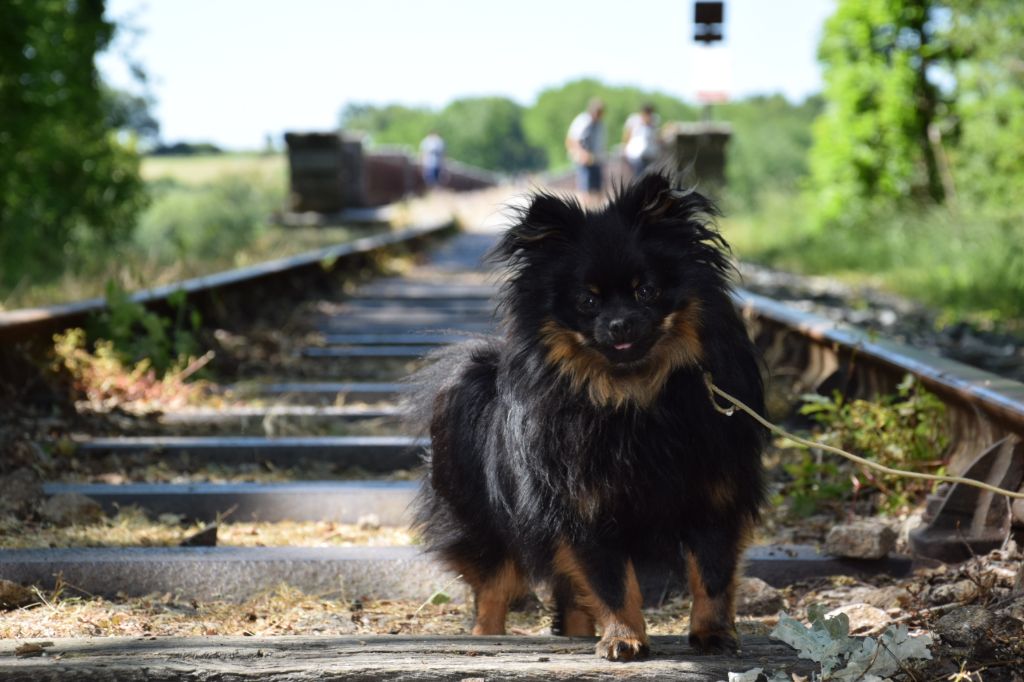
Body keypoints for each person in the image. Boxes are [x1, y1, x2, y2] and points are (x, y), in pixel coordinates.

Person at [565, 98, 606, 201]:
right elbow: (572, 139)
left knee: (598, 189)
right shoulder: (583, 121)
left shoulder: (600, 124)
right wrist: (582, 154)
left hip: (596, 159)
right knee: (585, 189)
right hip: (584, 160)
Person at [622, 103, 661, 177]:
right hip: (634, 155)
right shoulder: (634, 120)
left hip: (649, 155)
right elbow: (627, 135)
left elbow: (657, 138)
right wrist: (625, 149)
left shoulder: (654, 122)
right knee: (639, 174)